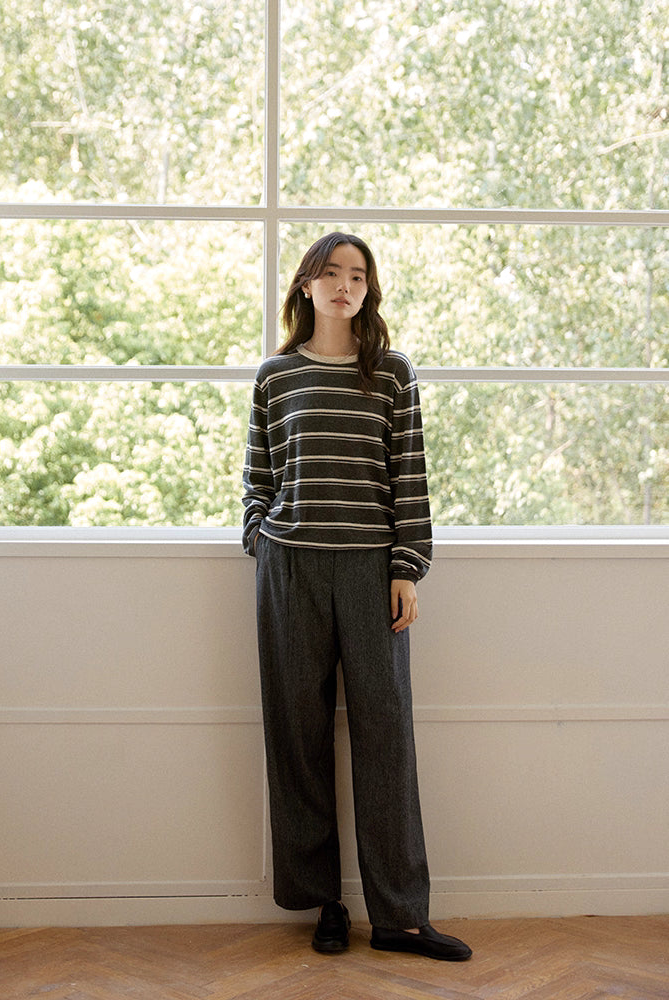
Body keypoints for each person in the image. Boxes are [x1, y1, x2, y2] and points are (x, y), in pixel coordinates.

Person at [242, 232, 471, 962]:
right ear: (306, 286)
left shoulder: (392, 375)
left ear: (369, 291)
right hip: (292, 571)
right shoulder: (276, 376)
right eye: (332, 273)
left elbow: (410, 476)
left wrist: (407, 565)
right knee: (297, 737)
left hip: (372, 574)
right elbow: (257, 477)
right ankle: (326, 906)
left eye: (359, 276)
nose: (346, 286)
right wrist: (263, 541)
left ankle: (401, 916)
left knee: (386, 736)